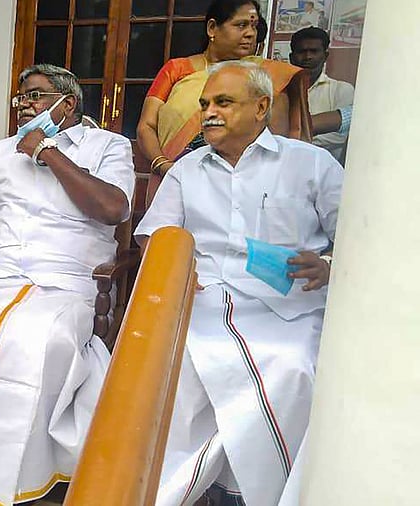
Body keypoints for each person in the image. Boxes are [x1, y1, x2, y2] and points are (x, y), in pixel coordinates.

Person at [0, 64, 135, 505]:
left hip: (67, 280)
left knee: (38, 338)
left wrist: (48, 153)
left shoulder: (108, 146)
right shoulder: (1, 152)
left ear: (67, 104)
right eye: (22, 98)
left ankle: (23, 475)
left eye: (35, 96)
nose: (24, 107)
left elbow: (114, 209)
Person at [135, 61, 343, 506]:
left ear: (261, 107)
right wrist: (174, 266)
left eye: (223, 102)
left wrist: (329, 263)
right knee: (176, 366)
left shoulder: (310, 163)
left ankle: (260, 494)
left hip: (290, 306)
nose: (209, 112)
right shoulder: (187, 169)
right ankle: (182, 490)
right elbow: (156, 235)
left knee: (295, 366)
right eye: (206, 103)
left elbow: (356, 236)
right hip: (202, 298)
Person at [137, 0, 307, 181]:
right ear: (212, 28)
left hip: (244, 181)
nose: (250, 34)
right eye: (241, 25)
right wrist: (163, 165)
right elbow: (146, 126)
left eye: (254, 26)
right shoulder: (176, 69)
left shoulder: (270, 77)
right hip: (176, 176)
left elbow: (275, 142)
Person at [290, 26, 354, 163]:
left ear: (325, 56)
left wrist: (291, 140)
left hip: (325, 175)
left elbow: (339, 137)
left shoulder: (342, 90)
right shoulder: (282, 91)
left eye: (314, 51)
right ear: (291, 57)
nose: (308, 57)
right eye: (302, 52)